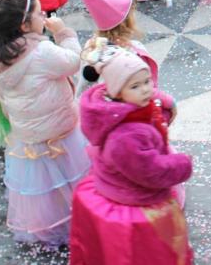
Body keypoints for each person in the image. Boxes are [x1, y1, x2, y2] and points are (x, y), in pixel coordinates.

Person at [0, 0, 89, 245]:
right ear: (24, 25)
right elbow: (74, 61)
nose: (43, 15)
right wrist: (63, 32)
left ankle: (50, 223)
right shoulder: (41, 53)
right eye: (38, 13)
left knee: (44, 186)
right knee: (71, 175)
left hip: (27, 136)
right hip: (60, 131)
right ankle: (78, 217)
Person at [70, 44, 193, 264]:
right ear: (117, 92)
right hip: (134, 197)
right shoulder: (125, 136)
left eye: (147, 82)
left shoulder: (126, 111)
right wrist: (181, 165)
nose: (146, 89)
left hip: (119, 183)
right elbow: (149, 171)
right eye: (135, 86)